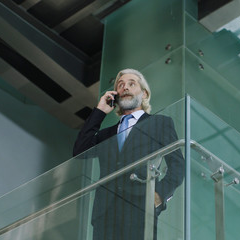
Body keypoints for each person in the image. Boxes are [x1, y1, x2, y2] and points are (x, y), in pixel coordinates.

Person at [73, 68, 185, 240]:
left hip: (140, 208)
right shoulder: (107, 135)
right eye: (120, 85)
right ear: (115, 95)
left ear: (144, 94)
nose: (125, 87)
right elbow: (80, 150)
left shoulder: (159, 123)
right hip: (105, 215)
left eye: (132, 84)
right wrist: (100, 111)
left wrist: (159, 195)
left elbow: (178, 165)